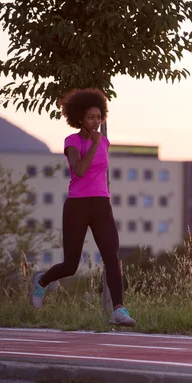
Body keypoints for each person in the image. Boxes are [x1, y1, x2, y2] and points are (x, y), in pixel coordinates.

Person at [29, 88, 136, 327]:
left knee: (111, 257)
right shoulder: (72, 142)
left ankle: (118, 310)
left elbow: (100, 173)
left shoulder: (104, 142)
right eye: (90, 117)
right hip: (77, 205)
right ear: (79, 118)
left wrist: (99, 144)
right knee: (71, 265)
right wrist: (95, 144)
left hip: (101, 204)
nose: (96, 121)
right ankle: (42, 282)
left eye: (99, 117)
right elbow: (79, 170)